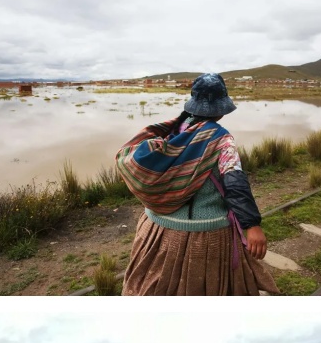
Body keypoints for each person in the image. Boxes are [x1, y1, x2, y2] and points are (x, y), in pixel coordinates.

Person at [116, 72, 278, 295]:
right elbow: (234, 180)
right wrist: (252, 225)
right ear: (221, 109)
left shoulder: (172, 129)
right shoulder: (222, 140)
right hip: (203, 237)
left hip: (155, 230)